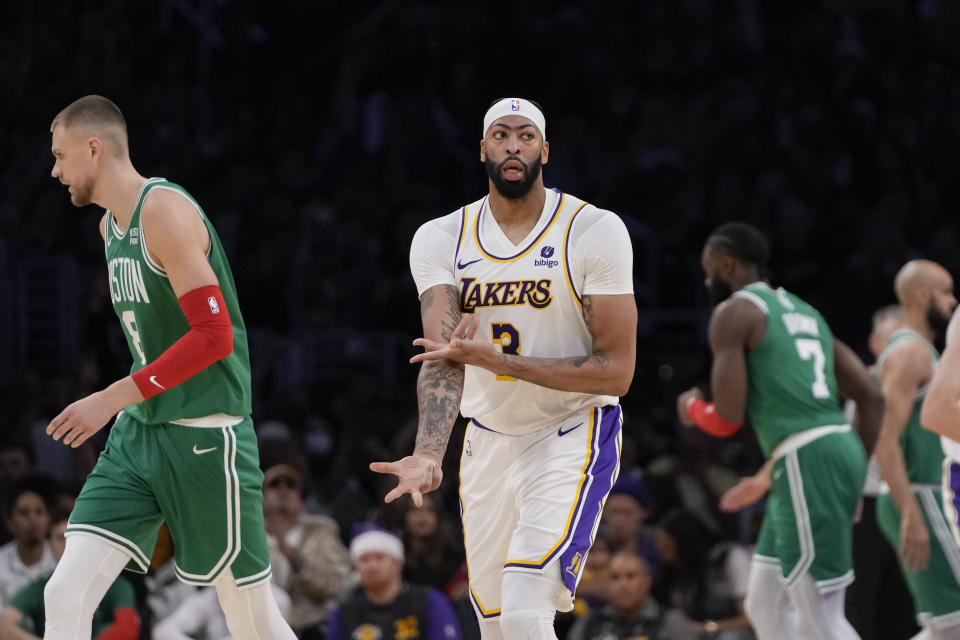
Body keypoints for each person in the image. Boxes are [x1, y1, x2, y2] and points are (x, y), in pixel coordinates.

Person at [371, 97, 637, 640]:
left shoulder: (592, 230)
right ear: (483, 149)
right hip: (486, 440)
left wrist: (504, 363)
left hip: (571, 430)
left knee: (524, 606)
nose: (513, 146)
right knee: (494, 625)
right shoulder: (442, 237)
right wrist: (427, 453)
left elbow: (617, 372)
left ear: (545, 149)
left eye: (525, 136)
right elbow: (444, 357)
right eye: (500, 135)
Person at [45, 95, 295, 640]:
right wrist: (125, 404)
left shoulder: (164, 211)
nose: (55, 170)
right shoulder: (110, 227)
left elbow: (214, 336)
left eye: (61, 156)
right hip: (140, 435)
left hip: (206, 434)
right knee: (64, 593)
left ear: (94, 148)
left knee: (251, 619)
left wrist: (109, 398)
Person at [675, 222, 883, 640]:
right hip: (821, 454)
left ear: (726, 263)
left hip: (809, 459)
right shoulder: (808, 313)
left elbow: (726, 418)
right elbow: (872, 397)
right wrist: (851, 473)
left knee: (820, 615)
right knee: (763, 603)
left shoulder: (733, 313)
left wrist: (691, 408)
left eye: (708, 268)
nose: (706, 279)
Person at [872, 260, 960, 639]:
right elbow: (884, 438)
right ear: (922, 296)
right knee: (952, 622)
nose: (952, 301)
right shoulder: (911, 353)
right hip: (919, 496)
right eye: (945, 292)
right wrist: (910, 511)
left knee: (944, 624)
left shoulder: (921, 350)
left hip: (922, 494)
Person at [845, 305, 919, 640]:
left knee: (904, 612)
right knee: (859, 610)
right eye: (894, 339)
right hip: (869, 509)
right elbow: (853, 453)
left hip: (913, 505)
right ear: (875, 344)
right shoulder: (865, 385)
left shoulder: (926, 383)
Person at [0, 514, 139, 640]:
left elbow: (127, 629)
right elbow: (4, 624)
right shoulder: (41, 586)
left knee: (109, 628)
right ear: (50, 545)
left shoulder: (113, 583)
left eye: (75, 537)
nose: (68, 544)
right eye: (61, 538)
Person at [260, 463, 353, 635]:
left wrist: (297, 561)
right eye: (274, 485)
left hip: (312, 627)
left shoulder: (321, 533)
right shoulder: (247, 535)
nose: (283, 490)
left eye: (291, 485)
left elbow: (339, 586)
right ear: (261, 497)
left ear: (301, 499)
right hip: (259, 624)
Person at [326, 527, 462, 640]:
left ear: (398, 564)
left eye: (379, 558)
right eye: (364, 560)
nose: (371, 566)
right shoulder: (344, 612)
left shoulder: (429, 600)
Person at [652, 510, 753, 640]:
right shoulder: (674, 568)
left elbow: (749, 619)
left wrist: (708, 627)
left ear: (685, 545)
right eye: (660, 549)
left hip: (731, 632)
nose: (663, 556)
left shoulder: (730, 557)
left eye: (667, 549)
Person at [567, 550, 694, 640]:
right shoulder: (588, 622)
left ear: (647, 582)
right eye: (615, 577)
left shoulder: (671, 622)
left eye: (631, 576)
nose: (623, 585)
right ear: (606, 584)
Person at [0, 479, 56, 609]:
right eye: (24, 513)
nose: (33, 519)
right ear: (10, 522)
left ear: (48, 519)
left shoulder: (61, 558)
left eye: (39, 512)